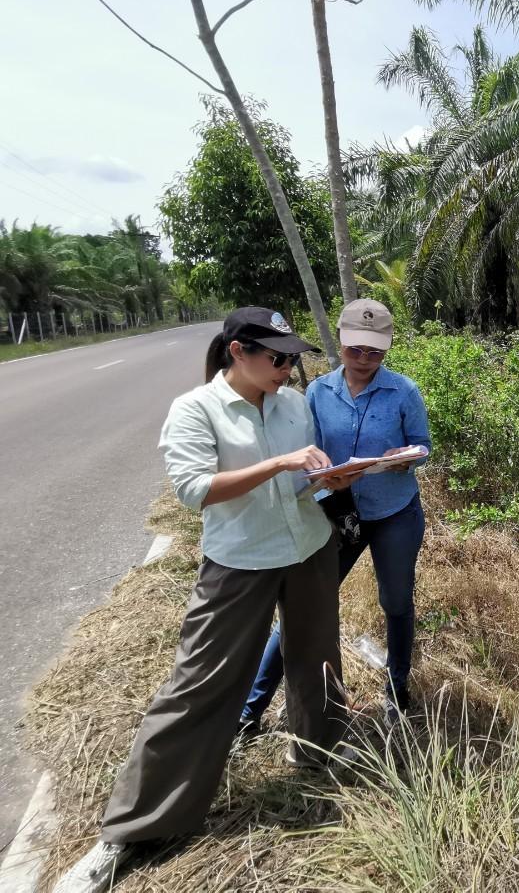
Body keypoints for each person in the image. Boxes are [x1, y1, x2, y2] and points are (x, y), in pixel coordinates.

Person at [55, 307, 353, 893]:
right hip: (240, 561)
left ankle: (318, 754)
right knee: (199, 685)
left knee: (316, 659)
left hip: (309, 545)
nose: (288, 367)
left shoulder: (294, 404)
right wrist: (280, 463)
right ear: (238, 351)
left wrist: (326, 479)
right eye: (276, 357)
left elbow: (300, 479)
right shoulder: (196, 409)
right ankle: (131, 830)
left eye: (292, 357)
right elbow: (195, 491)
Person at [240, 298, 430, 732]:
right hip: (337, 514)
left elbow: (423, 445)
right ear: (341, 343)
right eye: (355, 350)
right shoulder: (319, 393)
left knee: (396, 602)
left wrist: (406, 458)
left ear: (387, 349)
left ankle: (397, 691)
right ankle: (251, 709)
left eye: (375, 352)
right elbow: (311, 451)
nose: (364, 360)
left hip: (395, 512)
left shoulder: (404, 391)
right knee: (305, 606)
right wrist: (325, 478)